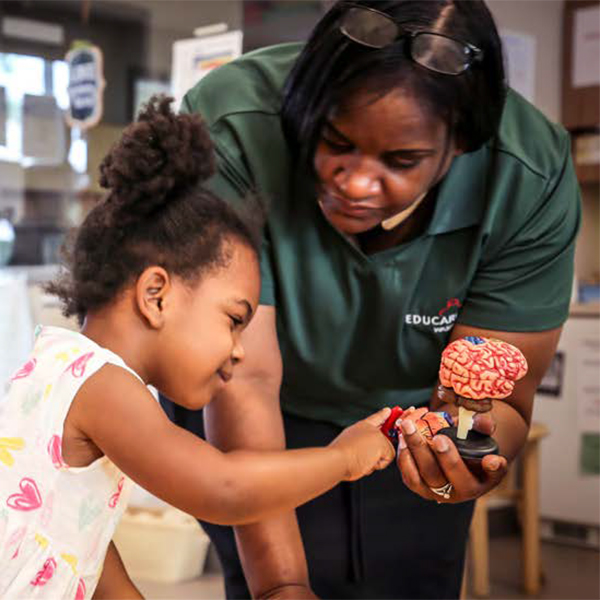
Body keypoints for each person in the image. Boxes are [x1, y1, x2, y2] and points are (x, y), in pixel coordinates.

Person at [161, 1, 582, 598]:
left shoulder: (525, 174)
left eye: (402, 161)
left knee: (411, 572)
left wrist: (461, 465)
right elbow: (242, 377)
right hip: (250, 412)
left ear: (459, 144)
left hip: (410, 423)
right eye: (334, 141)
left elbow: (502, 401)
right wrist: (281, 586)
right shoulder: (234, 123)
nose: (356, 183)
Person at [0, 96, 396, 600]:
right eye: (233, 321)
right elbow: (223, 489)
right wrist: (343, 459)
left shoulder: (58, 366)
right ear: (156, 295)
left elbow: (77, 540)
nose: (239, 351)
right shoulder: (103, 385)